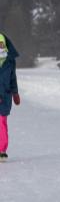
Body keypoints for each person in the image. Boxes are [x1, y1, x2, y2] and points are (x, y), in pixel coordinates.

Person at [0, 34, 20, 162]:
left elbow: (13, 78)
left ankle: (2, 150)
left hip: (5, 97)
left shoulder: (10, 60)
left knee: (2, 123)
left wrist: (15, 93)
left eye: (1, 44)